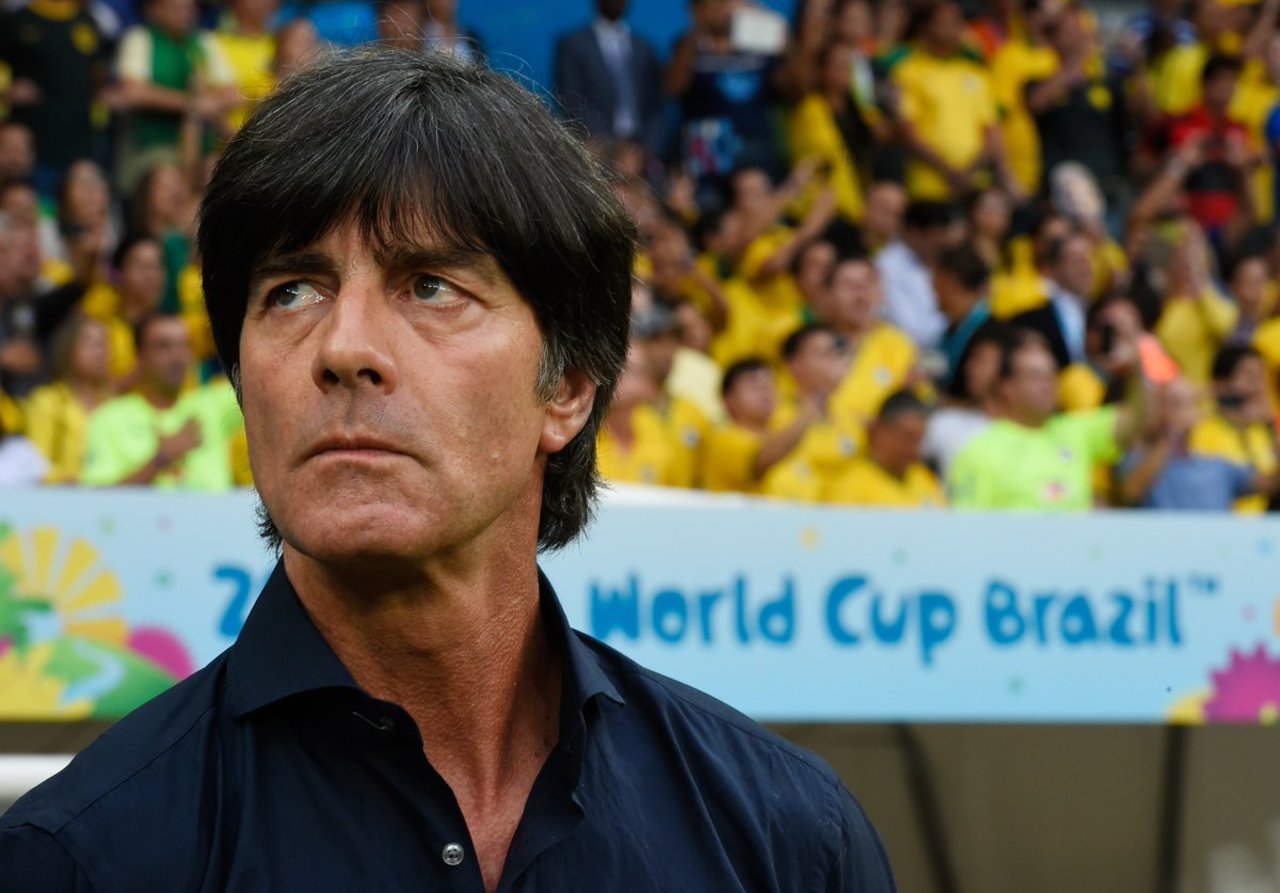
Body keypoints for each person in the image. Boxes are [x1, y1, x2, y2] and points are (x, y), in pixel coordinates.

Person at [0, 50, 895, 891]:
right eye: (292, 291)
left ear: (568, 387)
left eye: (431, 286)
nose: (343, 347)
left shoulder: (787, 840)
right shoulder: (78, 859)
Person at [949, 326, 1150, 510]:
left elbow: (1138, 420)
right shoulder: (980, 451)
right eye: (1035, 376)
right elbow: (968, 526)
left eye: (1051, 374)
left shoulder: (1076, 430)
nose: (1047, 384)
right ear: (1007, 387)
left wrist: (1138, 367)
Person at [80, 312, 240, 490]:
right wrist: (162, 458)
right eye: (164, 346)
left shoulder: (215, 404)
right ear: (139, 357)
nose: (177, 356)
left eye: (183, 345)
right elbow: (97, 500)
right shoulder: (108, 419)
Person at [554, 0, 666, 161]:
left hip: (639, 152)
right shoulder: (572, 45)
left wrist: (646, 150)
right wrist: (610, 146)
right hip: (595, 148)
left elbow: (655, 105)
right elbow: (570, 98)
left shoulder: (644, 48)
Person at [22, 315, 113, 483]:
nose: (100, 352)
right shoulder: (47, 401)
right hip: (60, 494)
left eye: (104, 344)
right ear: (68, 349)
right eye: (90, 343)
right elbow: (35, 463)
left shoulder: (117, 404)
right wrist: (71, 481)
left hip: (114, 494)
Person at [826, 389, 946, 507]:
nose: (914, 450)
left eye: (919, 440)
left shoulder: (924, 478)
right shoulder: (850, 486)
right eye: (907, 439)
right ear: (877, 429)